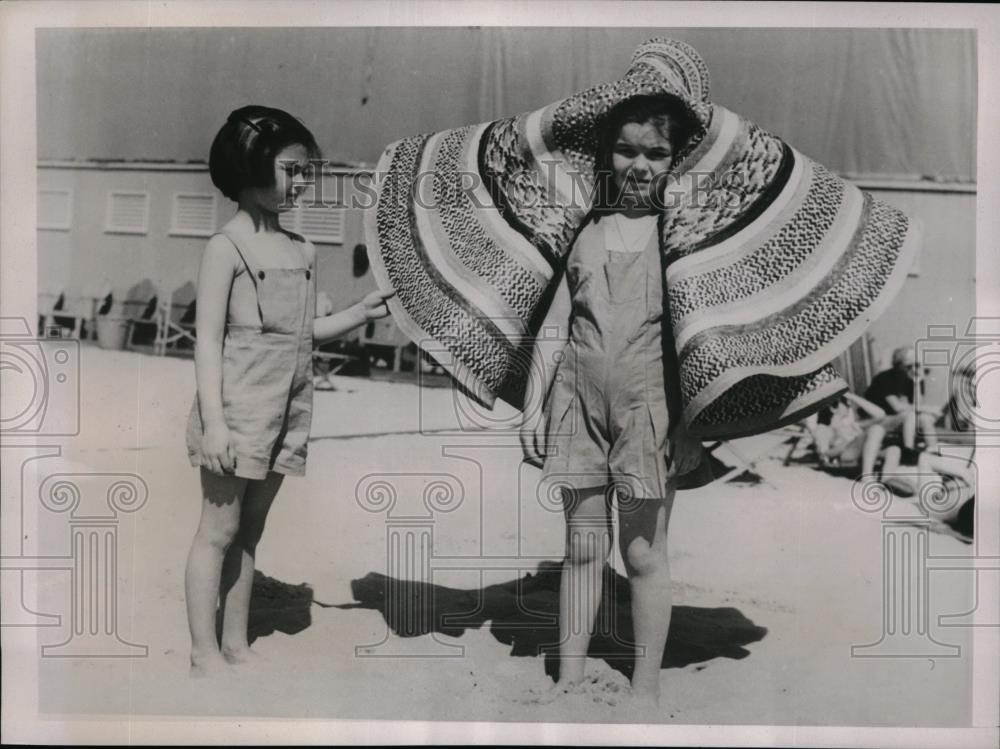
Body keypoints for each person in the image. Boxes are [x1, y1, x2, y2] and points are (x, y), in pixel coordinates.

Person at [183, 105, 393, 677]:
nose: (302, 183)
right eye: (291, 170)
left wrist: (359, 312)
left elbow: (302, 334)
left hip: (288, 407)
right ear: (249, 164)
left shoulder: (303, 250)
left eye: (306, 172)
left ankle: (235, 644)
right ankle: (204, 652)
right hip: (237, 407)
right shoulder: (225, 248)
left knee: (250, 533)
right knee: (217, 530)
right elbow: (206, 344)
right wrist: (217, 422)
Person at [520, 95, 706, 707]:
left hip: (650, 411)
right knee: (581, 547)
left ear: (677, 162)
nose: (640, 165)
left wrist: (692, 426)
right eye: (626, 150)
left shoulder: (682, 240)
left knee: (643, 553)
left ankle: (646, 687)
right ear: (606, 154)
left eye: (656, 154)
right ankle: (570, 678)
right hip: (576, 404)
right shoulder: (583, 232)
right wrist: (532, 404)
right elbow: (554, 326)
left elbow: (700, 345)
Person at [865, 346, 938, 448]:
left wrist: (917, 384)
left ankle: (933, 450)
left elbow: (917, 405)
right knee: (911, 416)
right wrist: (928, 409)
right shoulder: (884, 378)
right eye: (908, 366)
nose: (913, 369)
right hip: (878, 419)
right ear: (898, 365)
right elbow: (897, 407)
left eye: (917, 365)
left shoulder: (913, 376)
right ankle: (909, 450)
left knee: (926, 418)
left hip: (898, 418)